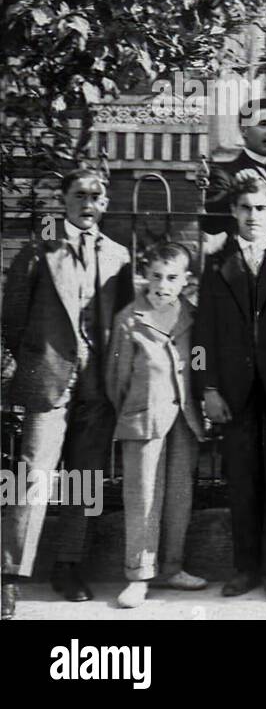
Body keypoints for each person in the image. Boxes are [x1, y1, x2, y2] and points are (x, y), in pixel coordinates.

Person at [1, 168, 133, 620]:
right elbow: (13, 313)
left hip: (98, 384)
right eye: (79, 195)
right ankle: (10, 576)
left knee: (87, 478)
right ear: (63, 199)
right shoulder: (41, 249)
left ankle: (69, 565)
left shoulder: (119, 255)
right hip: (51, 379)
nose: (88, 203)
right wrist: (36, 357)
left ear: (106, 203)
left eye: (97, 196)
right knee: (33, 474)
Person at [194, 175, 266, 602]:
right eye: (245, 208)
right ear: (233, 212)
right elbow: (201, 340)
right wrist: (207, 387)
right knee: (241, 480)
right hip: (233, 394)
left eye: (261, 209)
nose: (252, 217)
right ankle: (245, 567)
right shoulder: (215, 265)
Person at [105, 242, 208, 608]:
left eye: (172, 278)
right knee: (144, 497)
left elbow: (198, 364)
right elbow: (115, 380)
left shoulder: (193, 318)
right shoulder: (129, 320)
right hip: (144, 416)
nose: (163, 285)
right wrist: (134, 408)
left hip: (185, 419)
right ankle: (138, 574)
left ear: (186, 281)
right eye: (156, 277)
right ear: (145, 277)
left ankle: (173, 566)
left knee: (180, 495)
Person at [203, 99, 266, 246]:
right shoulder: (225, 173)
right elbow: (211, 225)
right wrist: (234, 190)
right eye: (263, 124)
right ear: (244, 130)